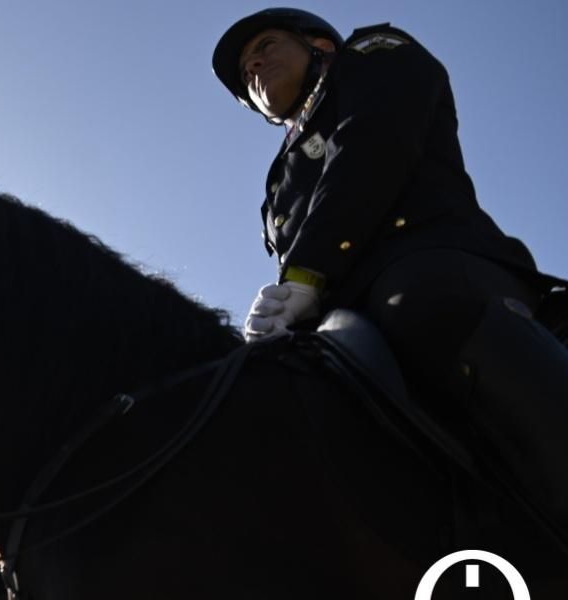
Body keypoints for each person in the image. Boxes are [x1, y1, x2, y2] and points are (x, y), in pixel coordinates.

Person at [211, 9, 568, 524]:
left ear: (320, 45)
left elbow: (372, 143)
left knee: (419, 305)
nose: (255, 66)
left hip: (428, 266)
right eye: (247, 71)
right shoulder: (276, 185)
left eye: (265, 46)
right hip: (336, 319)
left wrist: (306, 274)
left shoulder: (372, 56)